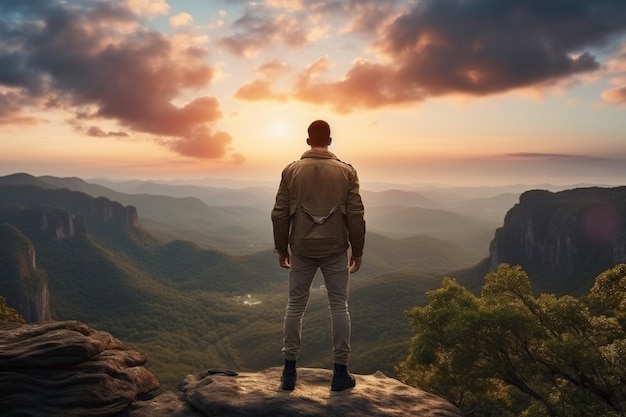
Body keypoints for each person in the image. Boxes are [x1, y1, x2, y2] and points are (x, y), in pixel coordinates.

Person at [271, 119, 366, 391]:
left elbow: (279, 212)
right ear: (331, 140)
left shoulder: (291, 171)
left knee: (295, 306)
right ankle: (340, 373)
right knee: (339, 307)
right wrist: (357, 250)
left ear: (307, 140)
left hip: (301, 247)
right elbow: (356, 214)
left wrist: (282, 248)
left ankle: (289, 372)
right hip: (336, 248)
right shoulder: (347, 172)